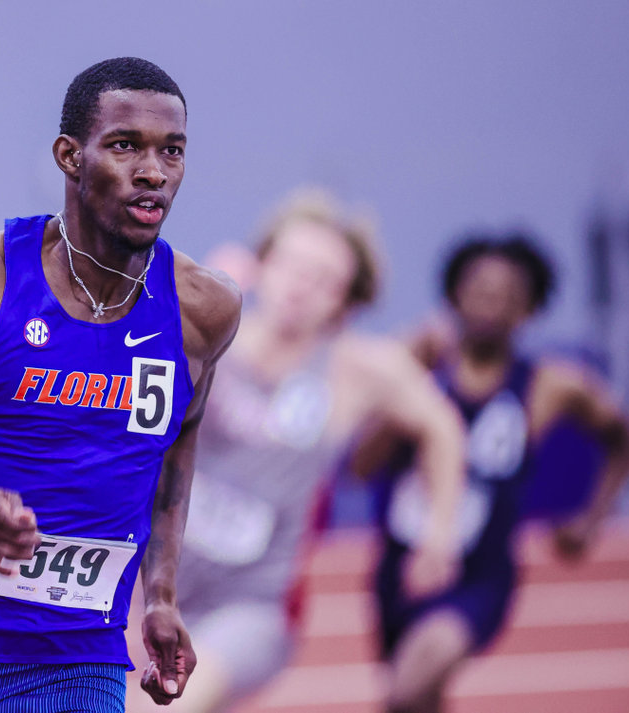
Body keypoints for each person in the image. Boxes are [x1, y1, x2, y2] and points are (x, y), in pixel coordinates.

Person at [0, 57, 242, 713]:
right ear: (69, 156)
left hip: (82, 657)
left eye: (171, 151)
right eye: (125, 146)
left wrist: (162, 595)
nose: (153, 172)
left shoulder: (205, 310)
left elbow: (175, 449)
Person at [145, 191, 465, 713]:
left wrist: (441, 533)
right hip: (150, 582)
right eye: (292, 266)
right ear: (263, 264)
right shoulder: (204, 333)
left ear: (345, 299)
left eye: (324, 280)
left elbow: (442, 426)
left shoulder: (354, 369)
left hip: (251, 607)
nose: (301, 287)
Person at [363, 233, 629, 713]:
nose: (492, 304)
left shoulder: (550, 385)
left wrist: (593, 518)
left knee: (407, 691)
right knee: (422, 700)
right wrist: (404, 384)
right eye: (479, 291)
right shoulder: (420, 368)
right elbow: (362, 465)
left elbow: (623, 441)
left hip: (478, 577)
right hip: (400, 567)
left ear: (530, 309)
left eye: (508, 295)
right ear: (453, 296)